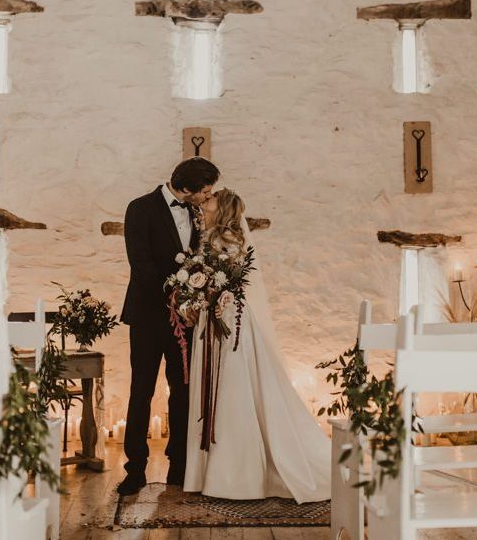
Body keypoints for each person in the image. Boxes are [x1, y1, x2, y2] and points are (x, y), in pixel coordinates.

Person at [183, 188, 331, 503]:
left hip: (230, 318)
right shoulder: (206, 236)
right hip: (214, 315)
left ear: (219, 208)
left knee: (233, 387)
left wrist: (216, 294)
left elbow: (234, 279)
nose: (203, 200)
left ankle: (237, 475)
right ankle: (215, 471)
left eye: (209, 199)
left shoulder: (228, 239)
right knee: (220, 386)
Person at [118, 157, 220, 496]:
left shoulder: (197, 212)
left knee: (183, 392)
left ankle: (180, 466)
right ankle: (135, 470)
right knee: (141, 392)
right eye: (202, 191)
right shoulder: (140, 208)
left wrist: (195, 298)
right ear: (185, 188)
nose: (206, 197)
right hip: (148, 316)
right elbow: (140, 263)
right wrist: (175, 295)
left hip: (187, 320)